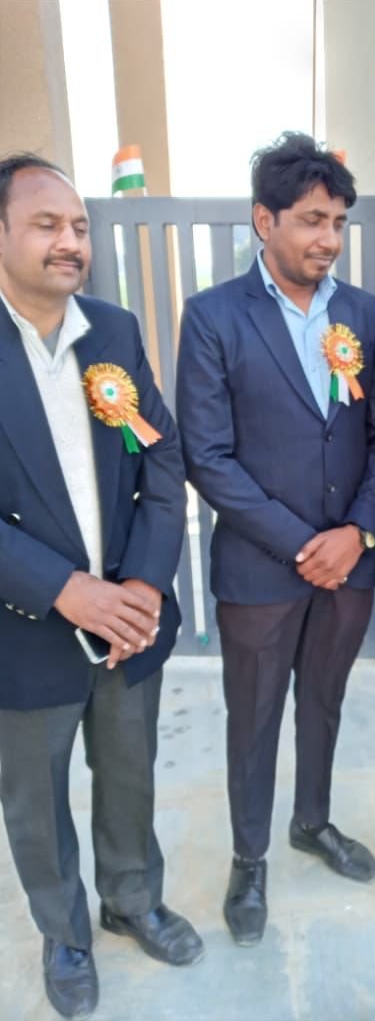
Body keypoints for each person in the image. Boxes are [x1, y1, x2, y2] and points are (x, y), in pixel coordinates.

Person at [176, 132, 375, 947]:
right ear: (263, 220)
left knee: (324, 702)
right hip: (260, 571)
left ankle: (313, 821)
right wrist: (308, 545)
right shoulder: (214, 316)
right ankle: (250, 858)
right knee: (255, 717)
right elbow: (207, 457)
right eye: (312, 219)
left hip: (349, 567)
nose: (329, 238)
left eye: (338, 222)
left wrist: (359, 531)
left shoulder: (360, 312)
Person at [0, 154, 202, 1020]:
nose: (70, 241)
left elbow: (162, 456)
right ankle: (65, 932)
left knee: (129, 772)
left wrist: (145, 584)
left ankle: (132, 899)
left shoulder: (113, 330)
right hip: (25, 628)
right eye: (46, 224)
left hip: (129, 619)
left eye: (79, 226)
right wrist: (65, 589)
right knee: (36, 800)